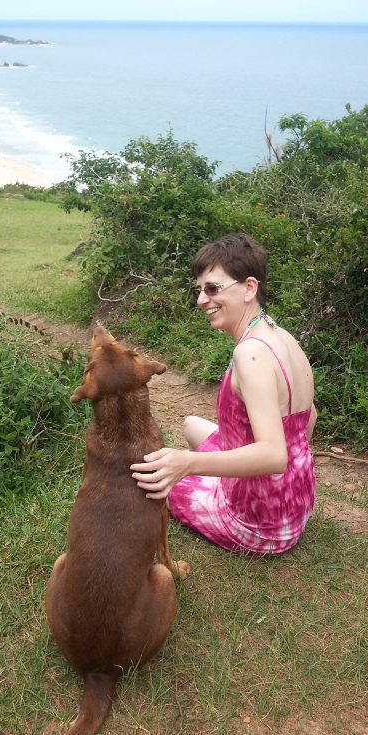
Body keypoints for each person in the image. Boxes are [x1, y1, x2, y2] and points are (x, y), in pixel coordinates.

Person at [130, 233, 317, 555]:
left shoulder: (251, 355)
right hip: (297, 497)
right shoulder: (280, 334)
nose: (202, 299)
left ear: (249, 288)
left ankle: (232, 502)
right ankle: (270, 496)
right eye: (199, 290)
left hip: (260, 520)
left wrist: (187, 464)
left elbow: (274, 456)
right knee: (190, 425)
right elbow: (309, 417)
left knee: (156, 486)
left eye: (213, 288)